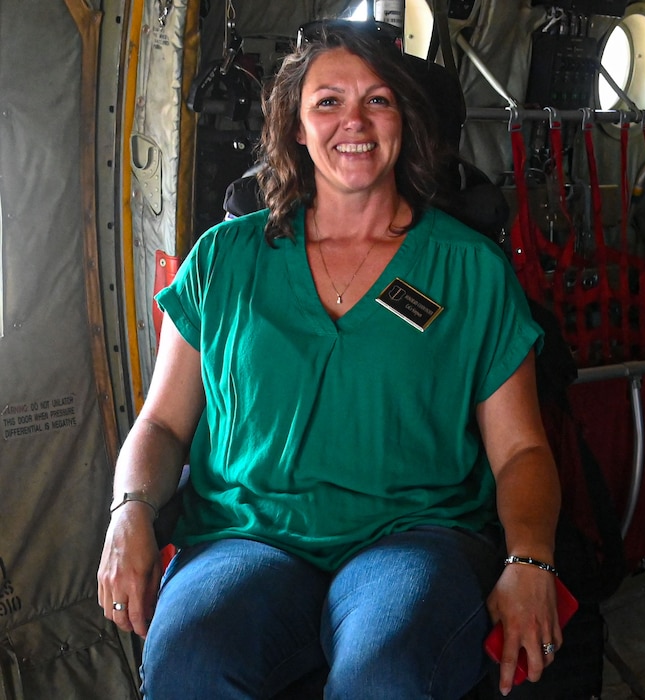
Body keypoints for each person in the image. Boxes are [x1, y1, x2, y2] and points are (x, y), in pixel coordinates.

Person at [97, 19, 563, 700]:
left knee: (385, 672)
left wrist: (531, 559)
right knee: (191, 659)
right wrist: (130, 510)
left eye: (378, 100)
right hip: (246, 535)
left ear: (404, 120)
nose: (355, 121)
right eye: (328, 102)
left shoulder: (470, 271)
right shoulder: (224, 261)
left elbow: (522, 451)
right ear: (295, 127)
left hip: (411, 538)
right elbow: (163, 425)